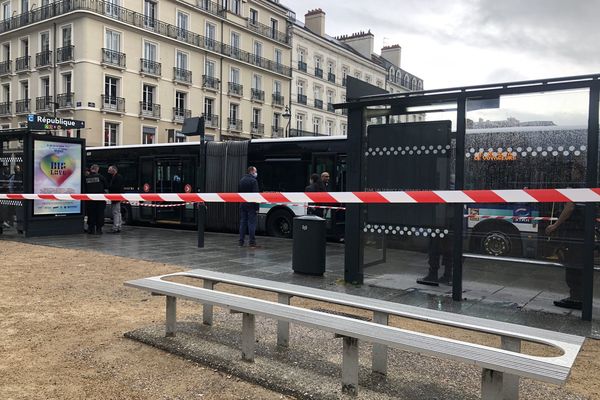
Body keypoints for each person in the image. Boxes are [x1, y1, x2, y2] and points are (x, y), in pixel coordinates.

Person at [545, 164, 586, 310]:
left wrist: (555, 225)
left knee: (572, 264)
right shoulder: (586, 186)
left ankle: (576, 299)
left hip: (574, 230)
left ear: (579, 172)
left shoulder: (573, 187)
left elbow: (569, 207)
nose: (570, 173)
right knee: (578, 264)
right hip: (582, 231)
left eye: (573, 170)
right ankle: (579, 297)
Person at [238, 166, 259, 247]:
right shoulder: (254, 181)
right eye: (255, 171)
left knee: (243, 223)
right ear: (252, 171)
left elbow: (239, 193)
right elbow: (256, 195)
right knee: (251, 223)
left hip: (242, 204)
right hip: (251, 205)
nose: (256, 173)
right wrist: (257, 207)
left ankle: (241, 241)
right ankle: (252, 242)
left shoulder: (241, 180)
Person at [85, 164, 108, 235]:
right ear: (97, 169)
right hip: (100, 199)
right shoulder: (101, 177)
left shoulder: (86, 178)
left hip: (90, 199)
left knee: (91, 214)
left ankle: (90, 229)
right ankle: (99, 229)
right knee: (100, 214)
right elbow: (106, 186)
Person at [107, 165, 124, 233]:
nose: (108, 172)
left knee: (115, 212)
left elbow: (115, 187)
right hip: (117, 197)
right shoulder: (116, 177)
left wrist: (109, 188)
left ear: (114, 170)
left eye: (109, 170)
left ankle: (116, 227)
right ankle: (118, 225)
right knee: (118, 212)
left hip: (116, 197)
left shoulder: (117, 177)